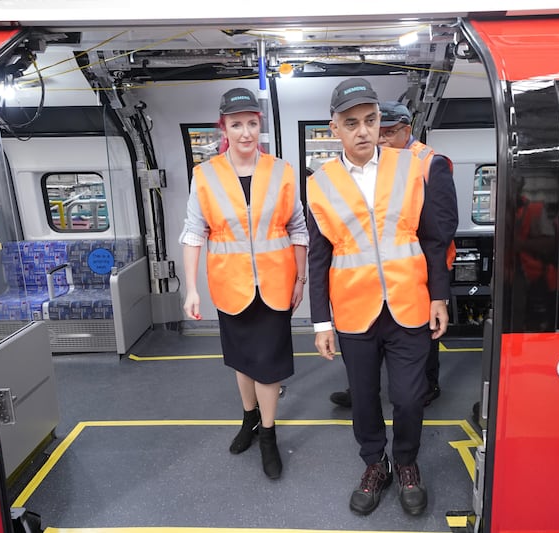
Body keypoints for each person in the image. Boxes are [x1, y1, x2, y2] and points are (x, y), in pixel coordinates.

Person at [307, 78, 453, 516]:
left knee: (410, 397)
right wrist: (320, 322)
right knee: (365, 399)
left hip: (409, 304)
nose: (363, 130)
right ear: (335, 128)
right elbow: (318, 258)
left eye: (370, 120)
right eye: (351, 123)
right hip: (354, 313)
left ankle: (406, 461)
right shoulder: (319, 183)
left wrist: (439, 298)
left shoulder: (410, 168)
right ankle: (375, 463)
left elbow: (432, 239)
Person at [179, 87, 308, 479]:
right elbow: (193, 233)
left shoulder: (282, 172)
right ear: (225, 128)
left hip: (275, 284)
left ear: (260, 126)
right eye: (237, 124)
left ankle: (268, 434)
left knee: (268, 366)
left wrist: (301, 277)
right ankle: (248, 419)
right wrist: (192, 288)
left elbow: (298, 228)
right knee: (242, 360)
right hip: (230, 286)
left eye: (252, 123)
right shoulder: (205, 175)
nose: (246, 132)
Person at [328, 100, 458, 409]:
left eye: (388, 132)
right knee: (372, 326)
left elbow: (443, 226)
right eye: (378, 131)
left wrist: (429, 276)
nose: (380, 139)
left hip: (422, 267)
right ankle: (361, 386)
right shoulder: (375, 164)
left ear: (407, 130)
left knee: (424, 329)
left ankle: (426, 386)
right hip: (379, 270)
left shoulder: (428, 162)